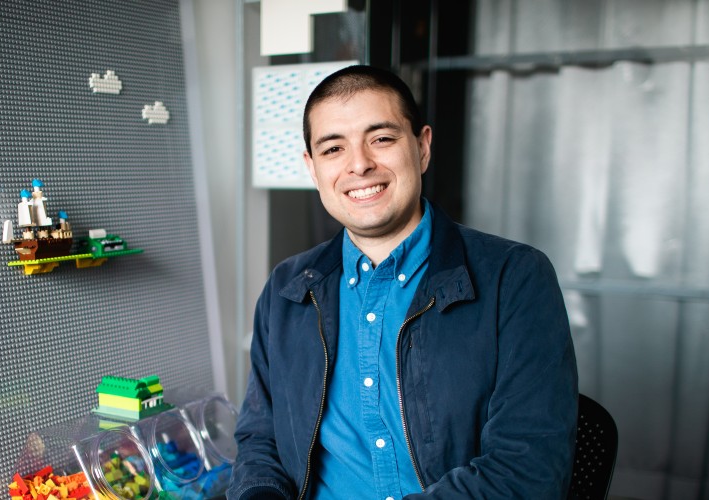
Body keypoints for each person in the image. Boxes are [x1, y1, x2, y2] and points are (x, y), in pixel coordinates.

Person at [227, 65, 578, 500]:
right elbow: (260, 440)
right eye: (333, 148)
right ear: (313, 169)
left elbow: (527, 470)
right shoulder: (288, 288)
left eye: (382, 139)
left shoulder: (515, 277)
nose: (359, 164)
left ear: (423, 147)